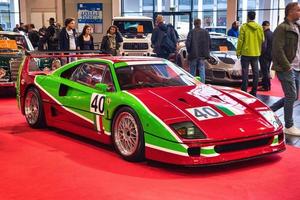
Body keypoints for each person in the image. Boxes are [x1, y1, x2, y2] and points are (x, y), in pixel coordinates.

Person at [270, 2, 300, 136]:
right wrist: (287, 66)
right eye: (298, 10)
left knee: (292, 96)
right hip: (286, 67)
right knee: (291, 95)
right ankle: (288, 125)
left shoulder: (297, 27)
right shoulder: (282, 28)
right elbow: (277, 49)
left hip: (297, 67)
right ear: (290, 12)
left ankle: (268, 111)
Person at [237, 11, 264, 97]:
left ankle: (244, 91)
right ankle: (254, 91)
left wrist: (238, 52)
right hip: (256, 53)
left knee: (245, 72)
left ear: (248, 17)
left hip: (245, 53)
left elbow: (240, 41)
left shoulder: (244, 27)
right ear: (254, 17)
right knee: (256, 73)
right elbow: (262, 40)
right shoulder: (259, 27)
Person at [185, 18, 211, 82]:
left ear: (194, 24)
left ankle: (192, 83)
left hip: (193, 54)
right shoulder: (206, 32)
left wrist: (189, 51)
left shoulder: (191, 32)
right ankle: (202, 84)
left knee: (192, 70)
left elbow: (188, 44)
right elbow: (209, 43)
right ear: (200, 23)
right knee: (202, 69)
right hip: (202, 55)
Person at [258, 21, 273, 91]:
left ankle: (265, 86)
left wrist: (261, 53)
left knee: (264, 71)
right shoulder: (272, 33)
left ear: (263, 26)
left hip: (264, 56)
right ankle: (269, 85)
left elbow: (264, 46)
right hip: (270, 55)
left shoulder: (264, 34)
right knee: (267, 70)